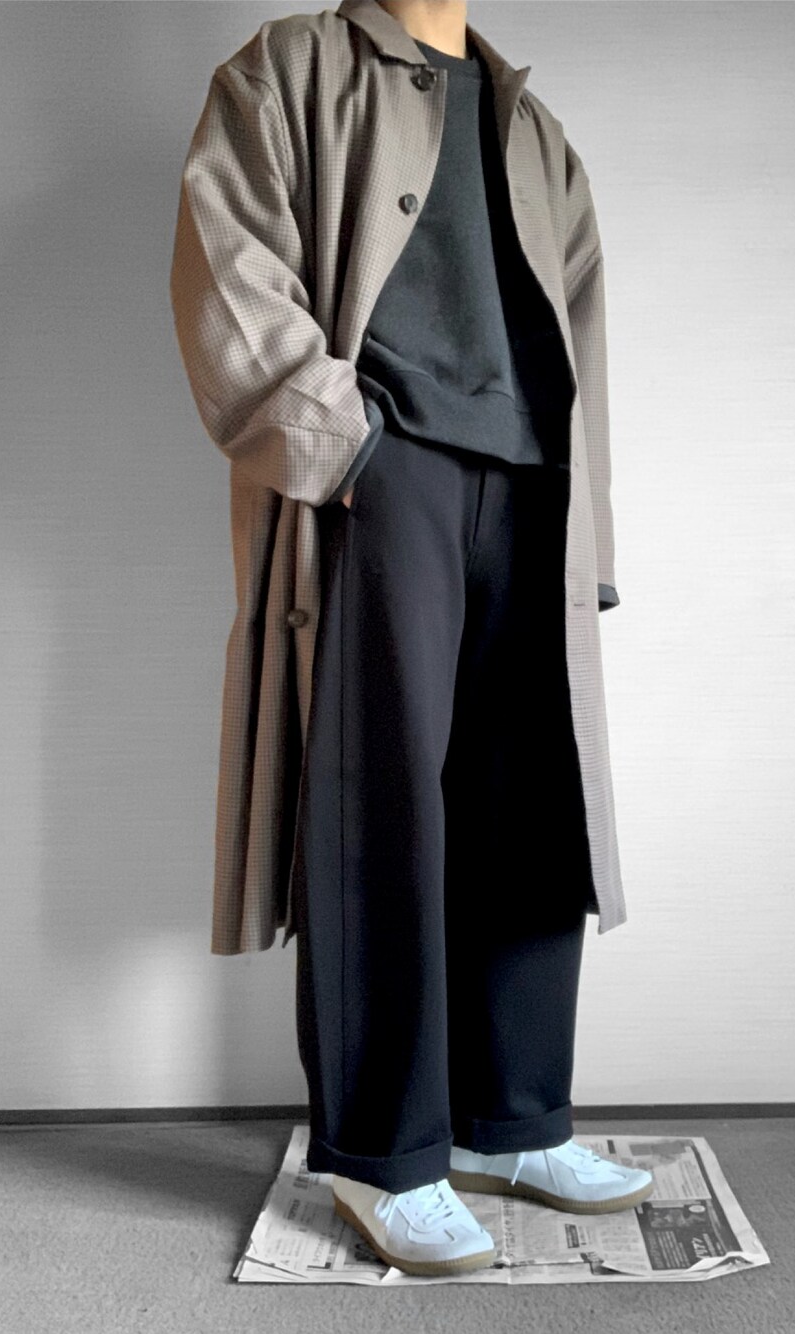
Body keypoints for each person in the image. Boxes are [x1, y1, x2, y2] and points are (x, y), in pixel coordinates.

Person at [170, 0, 652, 1277]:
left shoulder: (534, 129)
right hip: (385, 478)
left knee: (531, 809)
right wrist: (349, 450)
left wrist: (591, 539)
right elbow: (228, 270)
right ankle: (382, 1153)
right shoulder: (289, 70)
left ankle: (514, 1120)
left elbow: (585, 342)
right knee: (378, 809)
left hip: (533, 490)